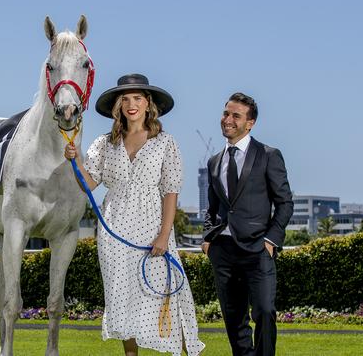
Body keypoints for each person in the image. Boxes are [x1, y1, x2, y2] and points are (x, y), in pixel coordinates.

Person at [64, 74, 205, 356]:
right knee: (121, 296)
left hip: (152, 226)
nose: (131, 104)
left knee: (165, 293)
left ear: (148, 104)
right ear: (118, 106)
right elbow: (89, 184)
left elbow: (171, 191)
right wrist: (75, 160)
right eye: (125, 99)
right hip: (114, 230)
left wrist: (164, 235)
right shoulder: (105, 143)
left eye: (137, 98)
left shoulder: (165, 142)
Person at [202, 92, 293, 356]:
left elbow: (285, 203)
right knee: (234, 319)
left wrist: (270, 241)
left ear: (250, 123)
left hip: (257, 249)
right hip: (224, 250)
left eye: (235, 116)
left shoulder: (268, 155)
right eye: (226, 113)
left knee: (265, 311)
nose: (227, 120)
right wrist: (208, 239)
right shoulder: (214, 162)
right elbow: (212, 207)